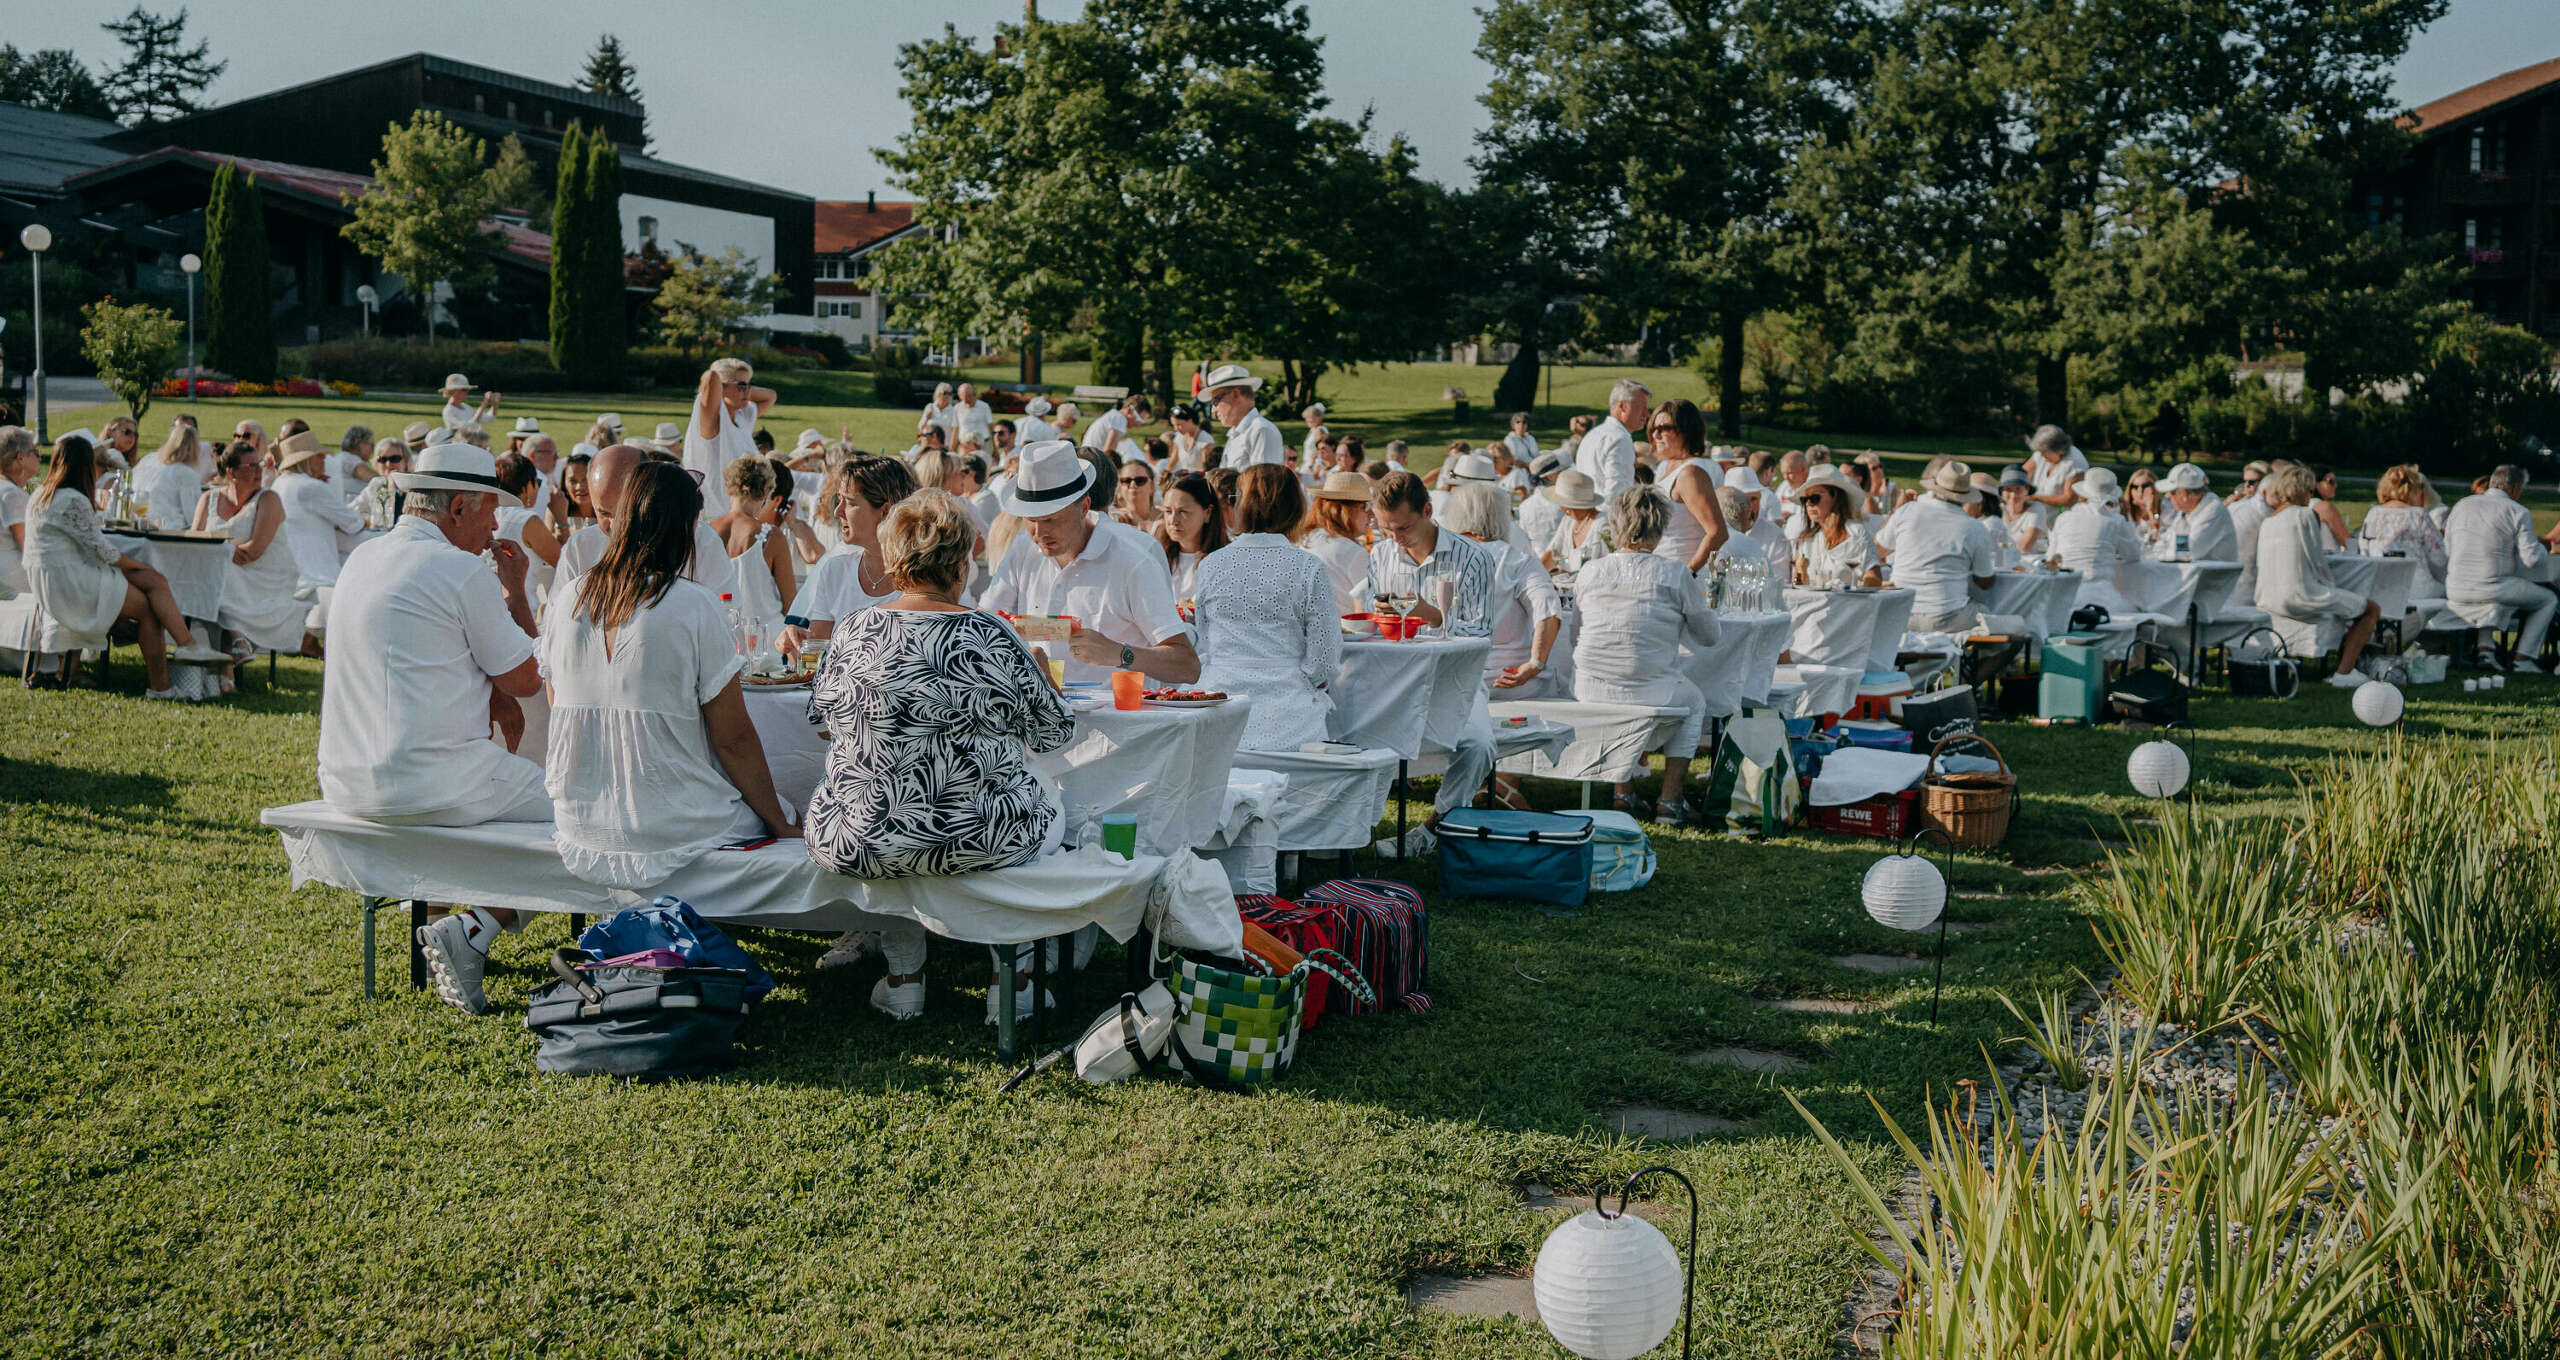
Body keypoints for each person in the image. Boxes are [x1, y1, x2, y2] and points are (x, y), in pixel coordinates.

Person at [806, 490, 1081, 1019]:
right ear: (961, 562)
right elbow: (1053, 737)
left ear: (892, 560)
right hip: (978, 836)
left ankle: (903, 975)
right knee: (1045, 793)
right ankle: (1015, 979)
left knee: (892, 803)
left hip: (861, 836)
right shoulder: (989, 634)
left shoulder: (855, 629)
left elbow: (821, 722)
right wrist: (1046, 682)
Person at [320, 441, 548, 1012]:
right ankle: (475, 926)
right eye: (490, 509)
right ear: (458, 511)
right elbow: (526, 678)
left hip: (346, 779)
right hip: (431, 783)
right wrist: (515, 591)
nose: (497, 523)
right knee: (588, 813)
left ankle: (455, 909)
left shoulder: (363, 558)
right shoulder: (458, 569)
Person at [542, 460, 798, 890]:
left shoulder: (569, 596)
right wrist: (779, 823)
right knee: (791, 809)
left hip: (581, 821)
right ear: (686, 527)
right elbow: (732, 739)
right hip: (670, 827)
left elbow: (556, 702)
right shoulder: (693, 606)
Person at [983, 441, 1200, 685]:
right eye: (1030, 520)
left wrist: (1119, 653)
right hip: (1041, 714)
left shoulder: (1133, 561)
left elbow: (1187, 666)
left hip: (1116, 717)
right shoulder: (1024, 548)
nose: (1039, 533)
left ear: (1084, 507)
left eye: (1051, 520)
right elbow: (984, 623)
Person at [23, 434, 223, 694]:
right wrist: (139, 566)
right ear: (85, 465)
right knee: (150, 608)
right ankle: (162, 684)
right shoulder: (72, 499)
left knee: (153, 582)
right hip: (72, 582)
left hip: (52, 578)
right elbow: (104, 552)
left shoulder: (40, 494)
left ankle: (188, 645)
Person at [1572, 487, 1722, 824]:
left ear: (1615, 525)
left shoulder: (1590, 571)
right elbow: (1710, 637)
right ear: (1661, 527)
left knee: (1628, 678)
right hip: (1650, 687)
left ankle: (1622, 793)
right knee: (1694, 701)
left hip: (1590, 689)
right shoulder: (1674, 574)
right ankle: (1670, 800)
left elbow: (1575, 636)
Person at [1365, 471, 1496, 849]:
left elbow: (1481, 636)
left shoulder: (1473, 558)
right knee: (1347, 736)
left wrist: (1433, 615)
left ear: (1428, 510)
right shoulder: (1381, 553)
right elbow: (1377, 624)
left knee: (1479, 745)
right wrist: (1380, 614)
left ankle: (1437, 825)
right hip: (1394, 678)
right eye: (1387, 529)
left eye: (1403, 527)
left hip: (1454, 679)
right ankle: (1350, 831)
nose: (1396, 538)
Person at [1192, 465, 1339, 751]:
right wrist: (1306, 680)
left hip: (1222, 709)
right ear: (1295, 508)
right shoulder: (1308, 567)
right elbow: (1325, 657)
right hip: (1289, 715)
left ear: (1240, 504)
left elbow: (1206, 642)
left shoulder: (1211, 564)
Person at [2254, 462, 2381, 686]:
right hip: (2301, 596)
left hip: (2268, 597)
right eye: (2309, 490)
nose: (2310, 495)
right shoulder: (2304, 516)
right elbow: (2317, 563)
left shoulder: (2268, 521)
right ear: (2301, 490)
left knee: (2346, 601)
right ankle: (2344, 672)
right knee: (2371, 608)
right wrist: (2332, 589)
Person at [781, 456, 917, 654]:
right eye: (840, 500)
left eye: (850, 503)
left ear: (885, 511)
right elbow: (816, 660)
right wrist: (797, 645)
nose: (838, 511)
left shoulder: (923, 576)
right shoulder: (835, 570)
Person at [1444, 480, 1561, 706]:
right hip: (1510, 681)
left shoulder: (1444, 560)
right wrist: (1535, 664)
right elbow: (1547, 606)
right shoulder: (1516, 560)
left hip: (1457, 680)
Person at [555, 444, 730, 591]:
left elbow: (728, 611)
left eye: (624, 511)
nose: (616, 524)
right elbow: (554, 623)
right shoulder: (579, 548)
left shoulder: (699, 539)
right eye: (604, 513)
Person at [2444, 464, 2555, 672]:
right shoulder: (2517, 511)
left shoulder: (2462, 504)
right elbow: (2532, 559)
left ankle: (2485, 649)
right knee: (2548, 600)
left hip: (2455, 586)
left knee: (2500, 592)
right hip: (2492, 587)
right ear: (2514, 488)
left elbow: (2448, 549)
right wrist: (2544, 548)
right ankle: (2523, 659)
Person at [1875, 461, 1996, 632]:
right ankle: (1973, 659)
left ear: (1935, 490)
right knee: (2005, 626)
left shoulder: (1907, 511)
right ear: (1966, 496)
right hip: (1948, 616)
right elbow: (1984, 582)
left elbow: (1878, 550)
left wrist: (1896, 510)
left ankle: (1951, 657)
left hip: (1900, 612)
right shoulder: (1975, 528)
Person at [711, 457, 799, 652]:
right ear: (767, 491)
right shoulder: (771, 537)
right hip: (766, 644)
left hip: (721, 644)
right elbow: (790, 604)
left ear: (729, 488)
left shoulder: (706, 532)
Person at [270, 430, 366, 600]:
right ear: (305, 460)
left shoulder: (279, 483)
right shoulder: (310, 487)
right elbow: (354, 524)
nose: (324, 458)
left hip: (290, 578)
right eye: (318, 456)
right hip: (319, 580)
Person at [687, 357, 778, 516]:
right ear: (722, 387)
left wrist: (743, 385)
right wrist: (727, 382)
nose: (748, 391)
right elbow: (711, 378)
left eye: (750, 385)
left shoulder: (742, 418)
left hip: (743, 511)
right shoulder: (712, 420)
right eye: (742, 386)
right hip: (714, 512)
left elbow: (771, 396)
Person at [1645, 398, 1728, 572]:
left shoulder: (1691, 474)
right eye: (1654, 428)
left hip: (1681, 573)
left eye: (1664, 428)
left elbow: (1717, 532)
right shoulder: (1664, 468)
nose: (1656, 435)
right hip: (1660, 569)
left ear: (1686, 430)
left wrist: (1688, 574)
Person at [2051, 467, 2146, 614]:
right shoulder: (2115, 520)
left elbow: (2051, 558)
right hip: (2099, 595)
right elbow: (2133, 555)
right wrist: (2127, 520)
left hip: (2062, 594)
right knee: (2138, 607)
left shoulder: (2063, 518)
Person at [2359, 464, 2447, 593]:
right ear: (2413, 489)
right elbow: (2439, 559)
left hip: (2380, 587)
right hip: (2417, 588)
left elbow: (2364, 551)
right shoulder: (2419, 515)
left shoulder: (2373, 513)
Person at [1300, 469, 1376, 616]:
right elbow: (1370, 609)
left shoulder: (1307, 539)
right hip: (1344, 634)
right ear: (1345, 511)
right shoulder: (1353, 553)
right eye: (1365, 507)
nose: (1371, 514)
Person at [1793, 464, 1881, 587]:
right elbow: (1799, 583)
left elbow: (1874, 577)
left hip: (1850, 603)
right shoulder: (1807, 540)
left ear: (1834, 496)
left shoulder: (1856, 533)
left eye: (1814, 497)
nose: (1808, 504)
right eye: (1804, 500)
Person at [1154, 471, 1229, 605]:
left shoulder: (1225, 561)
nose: (1173, 520)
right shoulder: (1157, 555)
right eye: (1168, 511)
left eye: (1183, 512)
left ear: (1207, 513)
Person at [129, 419, 210, 529]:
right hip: (167, 529)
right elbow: (193, 515)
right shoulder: (186, 473)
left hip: (135, 521)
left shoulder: (148, 459)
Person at [1204, 365, 1286, 469]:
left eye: (1215, 401)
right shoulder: (1236, 433)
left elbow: (1264, 482)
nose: (1213, 410)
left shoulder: (1261, 430)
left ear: (1235, 394)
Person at [1576, 379, 1646, 502]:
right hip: (1608, 516)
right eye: (1642, 408)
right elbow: (1618, 494)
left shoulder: (1593, 434)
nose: (1647, 414)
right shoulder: (1619, 439)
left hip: (1589, 513)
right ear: (1622, 406)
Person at [2156, 463, 2237, 564]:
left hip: (2213, 578)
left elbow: (2187, 552)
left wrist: (2161, 552)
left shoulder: (2213, 510)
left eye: (2171, 492)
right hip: (2193, 574)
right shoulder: (2186, 511)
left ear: (2184, 494)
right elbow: (2165, 542)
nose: (2167, 496)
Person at [1540, 470, 1610, 573]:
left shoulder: (1603, 525)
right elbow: (1553, 553)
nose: (1560, 507)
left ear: (1568, 505)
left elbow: (1609, 564)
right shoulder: (1568, 521)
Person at [0, 427, 37, 594]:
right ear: (21, 458)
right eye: (35, 452)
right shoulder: (12, 494)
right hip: (11, 577)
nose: (39, 457)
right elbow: (29, 547)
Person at [2024, 425, 2087, 510]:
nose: (2041, 455)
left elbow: (2069, 499)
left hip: (2060, 517)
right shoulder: (2042, 453)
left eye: (2044, 452)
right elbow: (2022, 473)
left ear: (2058, 450)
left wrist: (2036, 498)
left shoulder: (2075, 463)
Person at [1996, 466, 2048, 557]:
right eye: (2008, 489)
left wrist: (2001, 549)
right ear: (2002, 492)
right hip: (2003, 562)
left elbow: (2025, 547)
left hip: (2031, 564)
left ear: (2027, 490)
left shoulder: (2036, 509)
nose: (2013, 495)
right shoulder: (1998, 510)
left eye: (2018, 489)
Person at [1083, 393, 1154, 457]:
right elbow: (1108, 453)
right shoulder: (1120, 419)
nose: (1138, 425)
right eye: (1139, 420)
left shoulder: (1114, 416)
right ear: (1129, 411)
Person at [1112, 456, 1160, 531]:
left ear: (1152, 487)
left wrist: (1140, 523)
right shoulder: (1112, 518)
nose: (1132, 484)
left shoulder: (1164, 518)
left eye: (1140, 480)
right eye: (1126, 481)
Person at [2310, 465, 2353, 549]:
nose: (2335, 485)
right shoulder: (2325, 507)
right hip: (2329, 559)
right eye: (2331, 481)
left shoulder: (2304, 505)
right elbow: (2347, 541)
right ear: (2316, 483)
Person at [1165, 402, 1217, 472]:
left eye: (1179, 425)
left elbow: (1207, 469)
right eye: (1173, 425)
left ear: (1190, 421)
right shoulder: (1179, 437)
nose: (1176, 429)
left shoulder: (1206, 441)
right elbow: (1172, 463)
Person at [2122, 468, 2164, 550]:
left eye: (2145, 486)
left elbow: (2159, 540)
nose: (2140, 491)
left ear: (2155, 488)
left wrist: (2152, 513)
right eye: (2135, 486)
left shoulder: (2165, 507)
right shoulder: (2125, 511)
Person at [331, 425, 379, 497]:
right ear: (361, 445)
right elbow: (376, 480)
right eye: (372, 445)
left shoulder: (339, 457)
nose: (372, 450)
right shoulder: (349, 459)